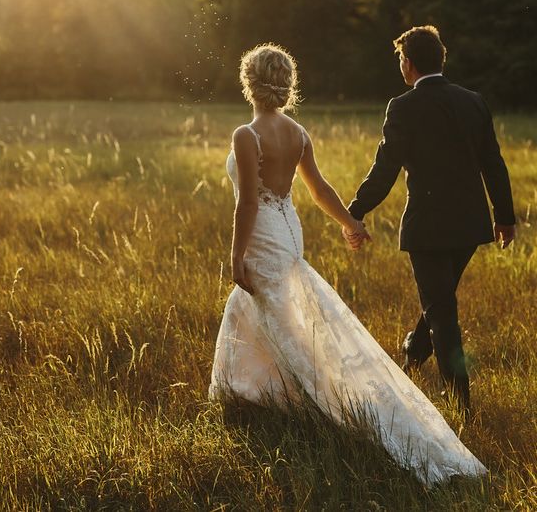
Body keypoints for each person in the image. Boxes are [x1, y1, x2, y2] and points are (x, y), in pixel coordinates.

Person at [209, 43, 487, 486]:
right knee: (261, 312)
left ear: (249, 82)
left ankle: (319, 401)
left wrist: (235, 254)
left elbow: (246, 201)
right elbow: (319, 189)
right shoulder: (298, 133)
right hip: (287, 233)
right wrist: (351, 222)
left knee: (284, 321)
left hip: (263, 235)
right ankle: (254, 394)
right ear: (285, 84)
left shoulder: (247, 134)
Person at [346, 25, 516, 416]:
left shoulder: (402, 107)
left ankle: (462, 408)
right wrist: (504, 218)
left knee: (443, 313)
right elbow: (494, 162)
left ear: (407, 64)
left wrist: (354, 211)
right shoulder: (474, 101)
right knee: (440, 302)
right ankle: (414, 352)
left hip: (427, 229)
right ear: (442, 59)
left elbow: (384, 170)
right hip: (471, 226)